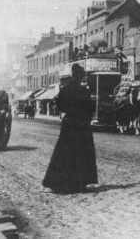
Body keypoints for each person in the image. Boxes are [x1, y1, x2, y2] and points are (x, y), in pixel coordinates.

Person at [42, 64, 98, 193]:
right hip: (82, 124)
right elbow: (90, 108)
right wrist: (86, 118)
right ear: (80, 76)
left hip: (69, 123)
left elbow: (59, 104)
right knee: (82, 153)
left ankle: (58, 183)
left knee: (64, 152)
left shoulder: (65, 89)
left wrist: (67, 112)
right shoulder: (85, 90)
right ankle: (81, 182)